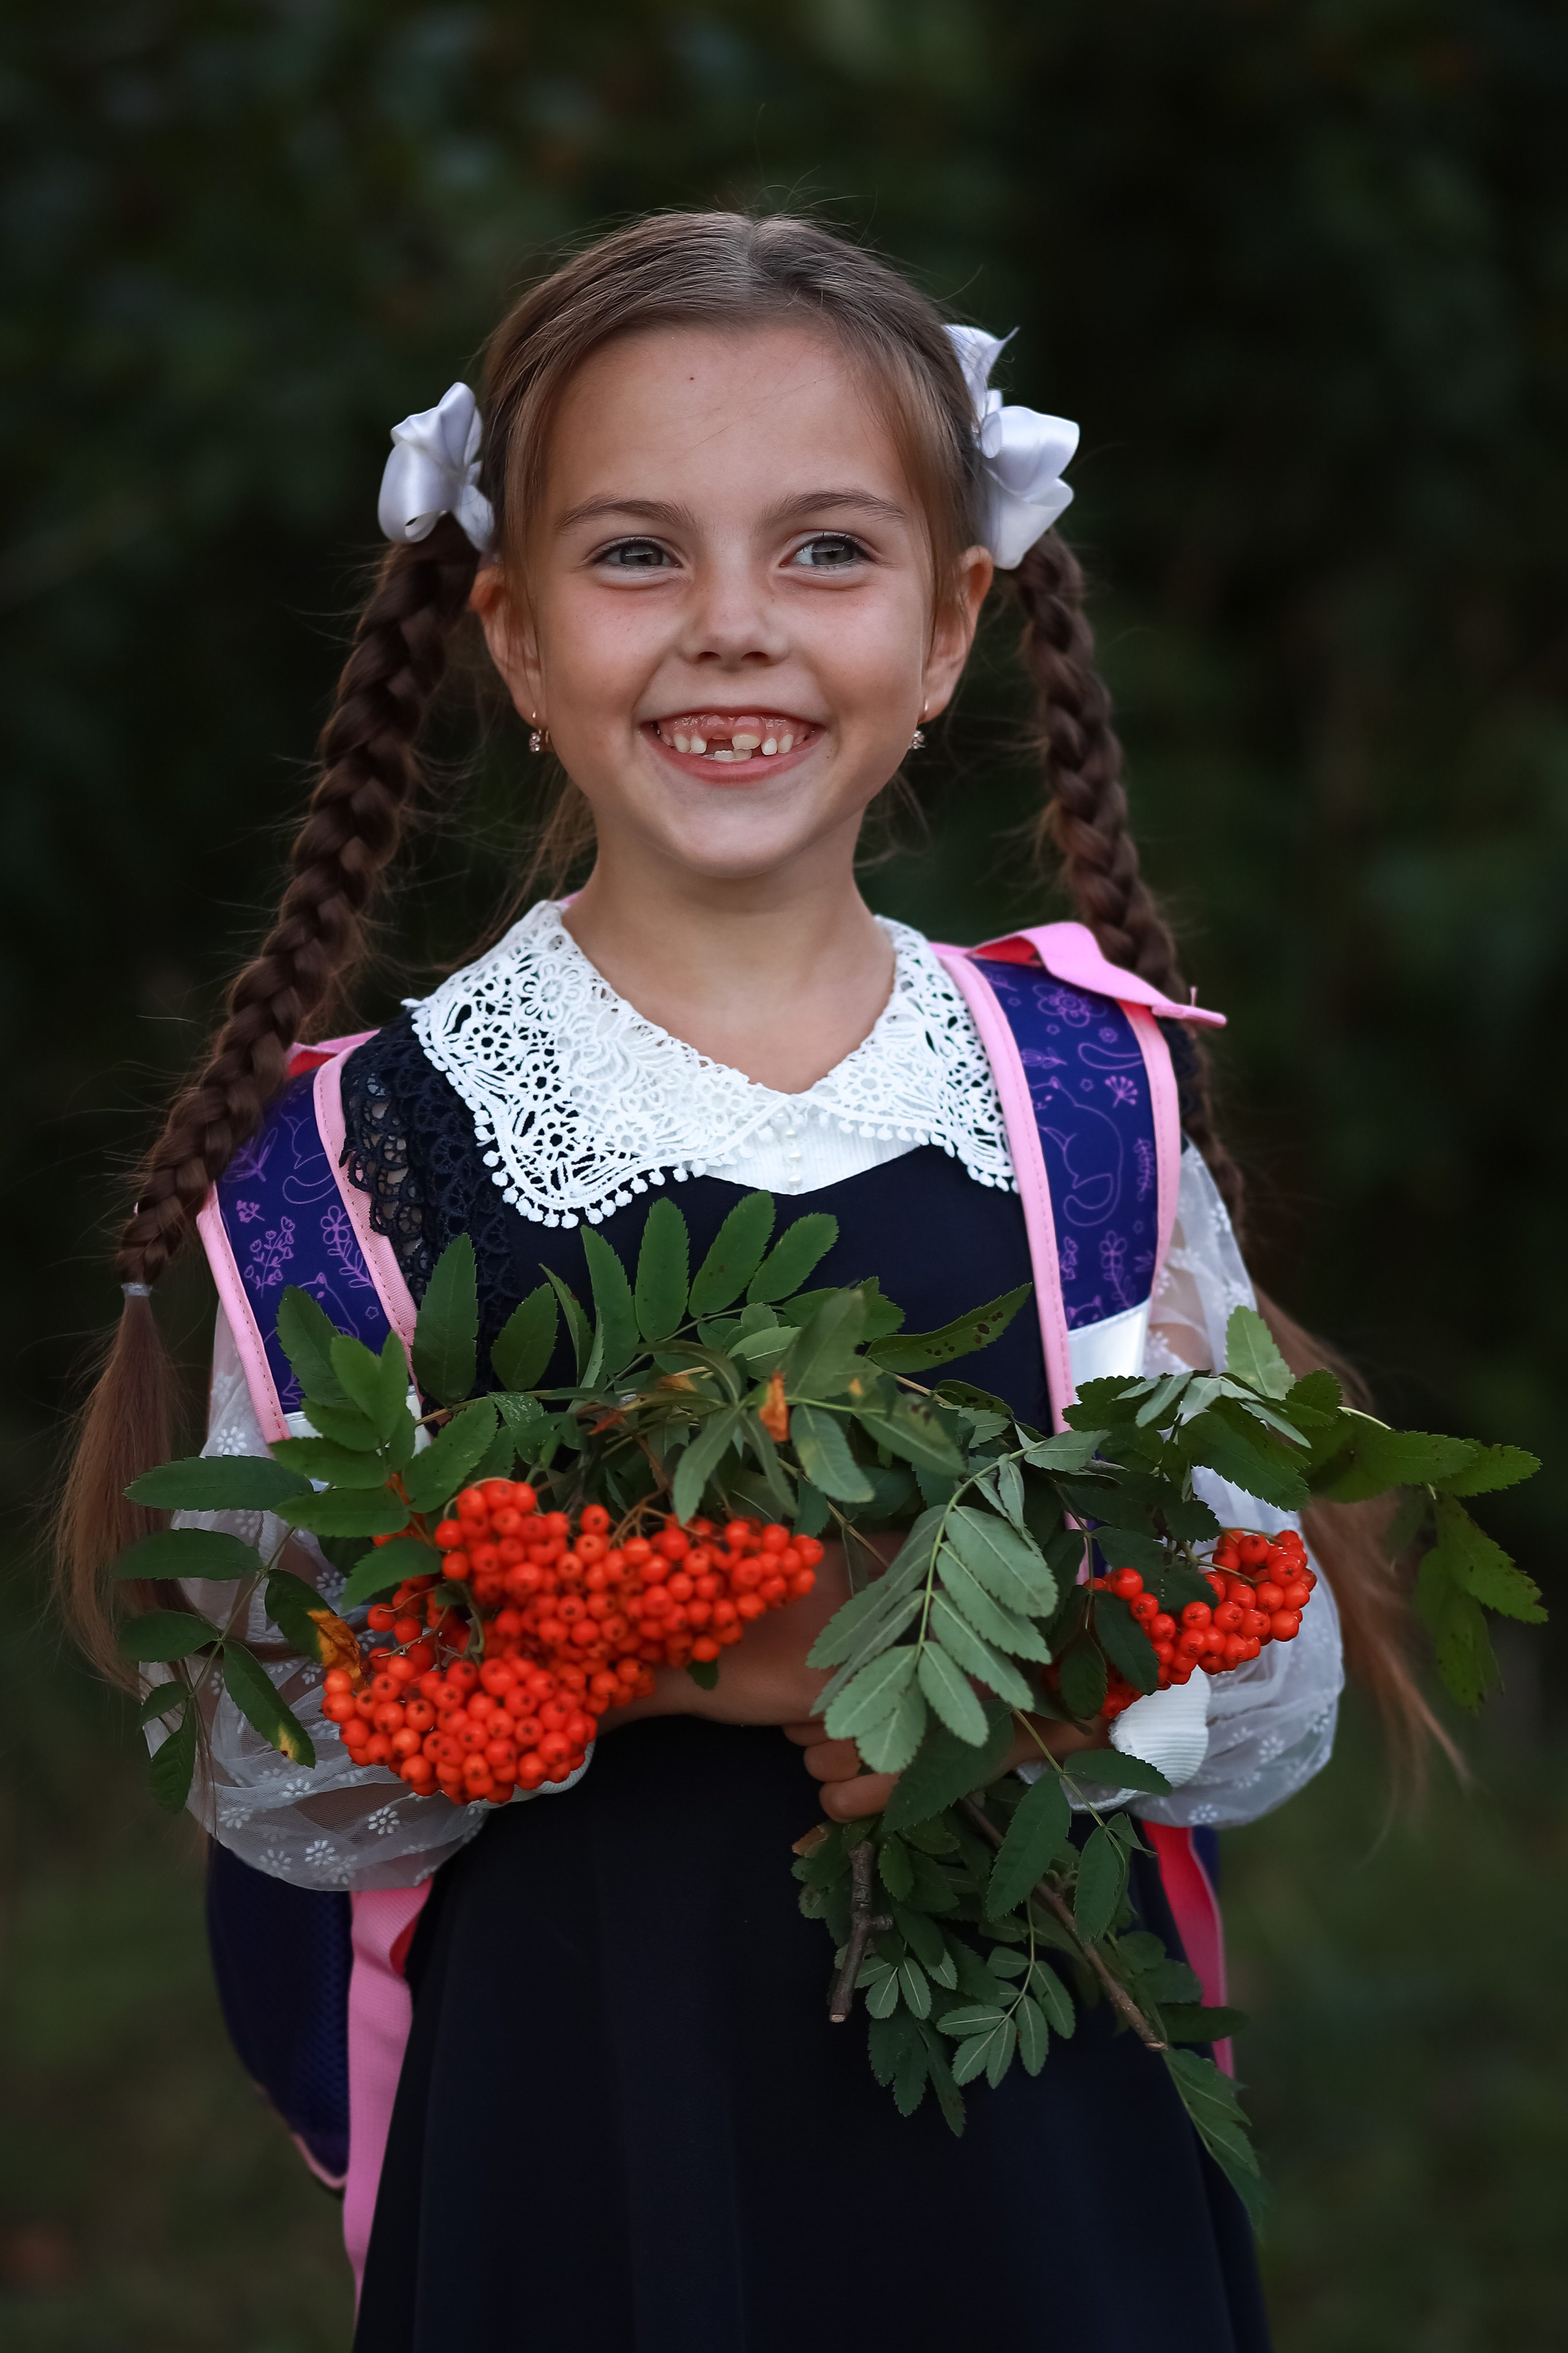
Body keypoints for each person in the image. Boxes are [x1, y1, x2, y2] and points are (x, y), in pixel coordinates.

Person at [58, 213, 1446, 2352]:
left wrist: (1041, 1684)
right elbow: (283, 1763)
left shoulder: (1082, 1094)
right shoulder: (366, 1152)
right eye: (636, 555)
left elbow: (1263, 1675)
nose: (733, 626)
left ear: (951, 624)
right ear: (516, 640)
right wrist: (696, 1649)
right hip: (590, 2133)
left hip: (1038, 2143)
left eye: (825, 551)